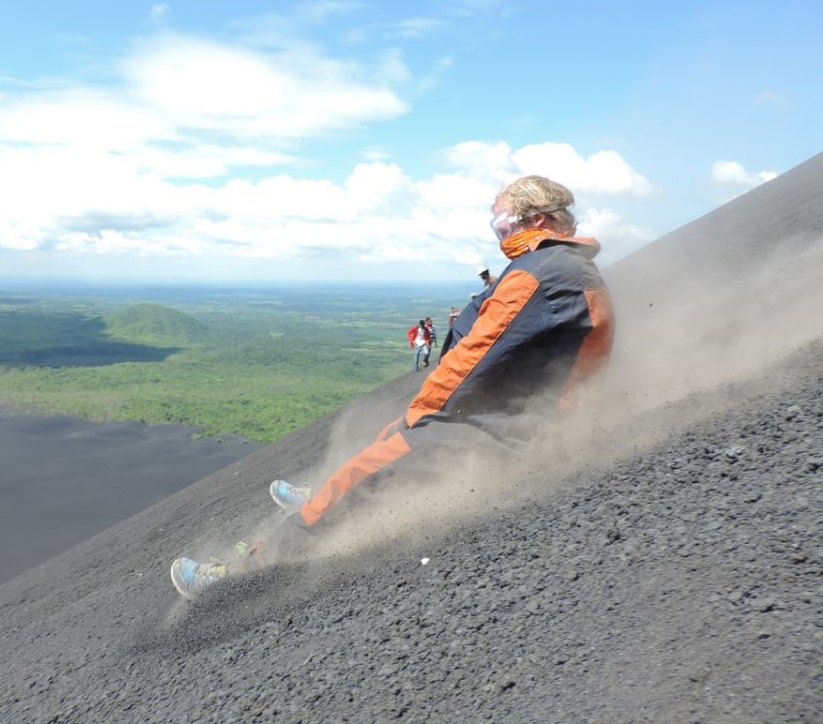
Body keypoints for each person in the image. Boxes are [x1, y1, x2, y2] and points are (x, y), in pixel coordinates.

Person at [171, 175, 615, 598]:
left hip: (495, 428)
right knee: (383, 442)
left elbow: (472, 359)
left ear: (538, 220)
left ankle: (244, 577)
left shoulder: (538, 273)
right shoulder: (570, 269)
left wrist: (419, 416)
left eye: (504, 224)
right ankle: (323, 495)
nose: (500, 237)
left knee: (362, 473)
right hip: (514, 421)